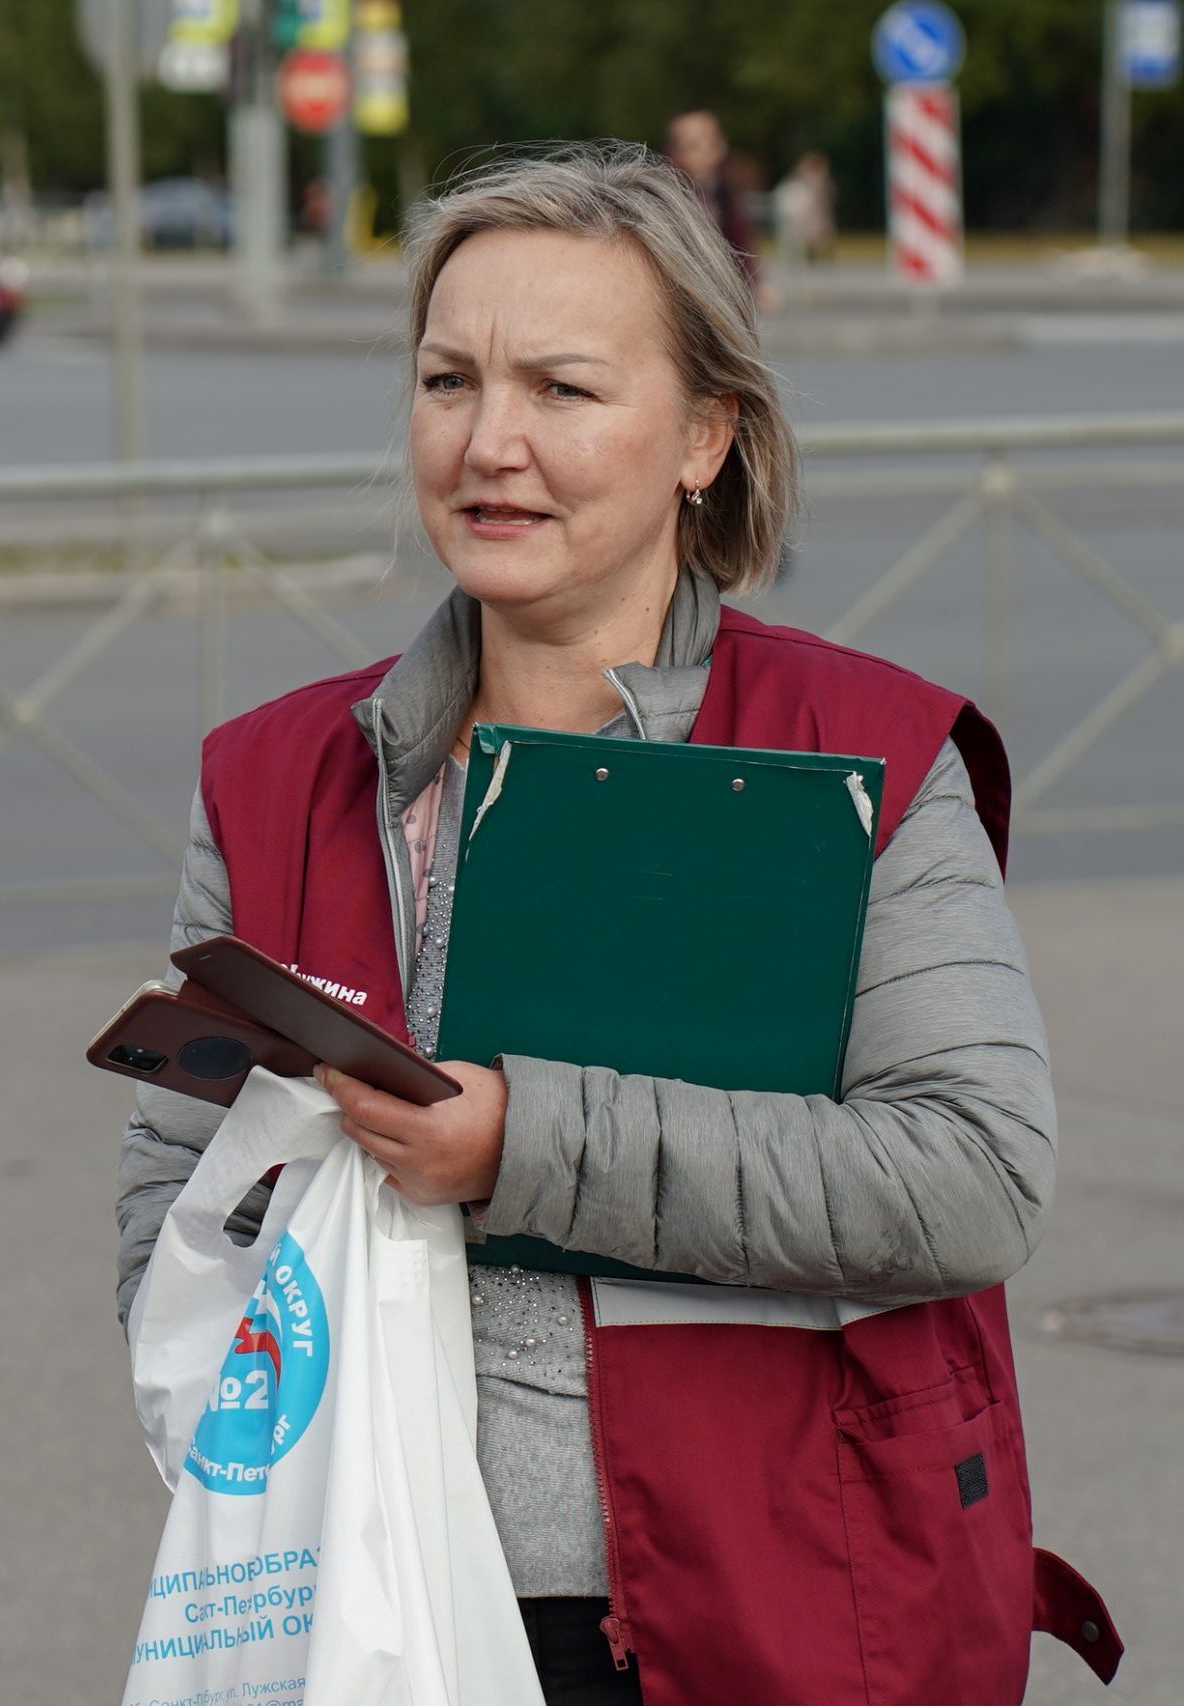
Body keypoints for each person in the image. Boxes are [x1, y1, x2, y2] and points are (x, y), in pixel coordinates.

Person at [114, 144, 1117, 1706]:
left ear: (703, 438)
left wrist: (516, 1146)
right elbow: (173, 1199)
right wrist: (252, 1428)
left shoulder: (850, 752)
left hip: (764, 1609)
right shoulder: (274, 772)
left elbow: (972, 1176)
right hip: (364, 1611)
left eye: (562, 391)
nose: (487, 442)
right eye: (448, 380)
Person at [662, 110, 761, 294]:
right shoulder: (667, 192)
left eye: (712, 143)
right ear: (675, 152)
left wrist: (754, 283)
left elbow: (739, 241)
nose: (706, 151)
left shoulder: (724, 188)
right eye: (693, 145)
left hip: (720, 285)